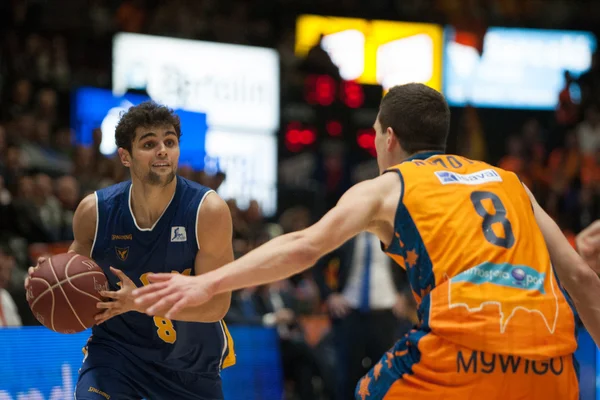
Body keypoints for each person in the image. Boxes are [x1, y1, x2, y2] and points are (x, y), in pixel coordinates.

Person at [133, 84, 600, 399]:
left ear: (390, 138)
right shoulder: (511, 182)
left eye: (376, 135)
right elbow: (579, 275)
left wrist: (208, 283)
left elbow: (303, 246)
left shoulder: (388, 186)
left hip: (461, 351)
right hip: (554, 365)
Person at [25, 101, 236, 400]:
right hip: (116, 358)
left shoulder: (207, 211)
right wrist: (43, 281)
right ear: (125, 156)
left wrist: (139, 302)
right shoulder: (95, 211)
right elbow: (70, 279)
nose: (162, 150)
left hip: (190, 369)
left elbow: (216, 306)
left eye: (170, 142)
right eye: (149, 143)